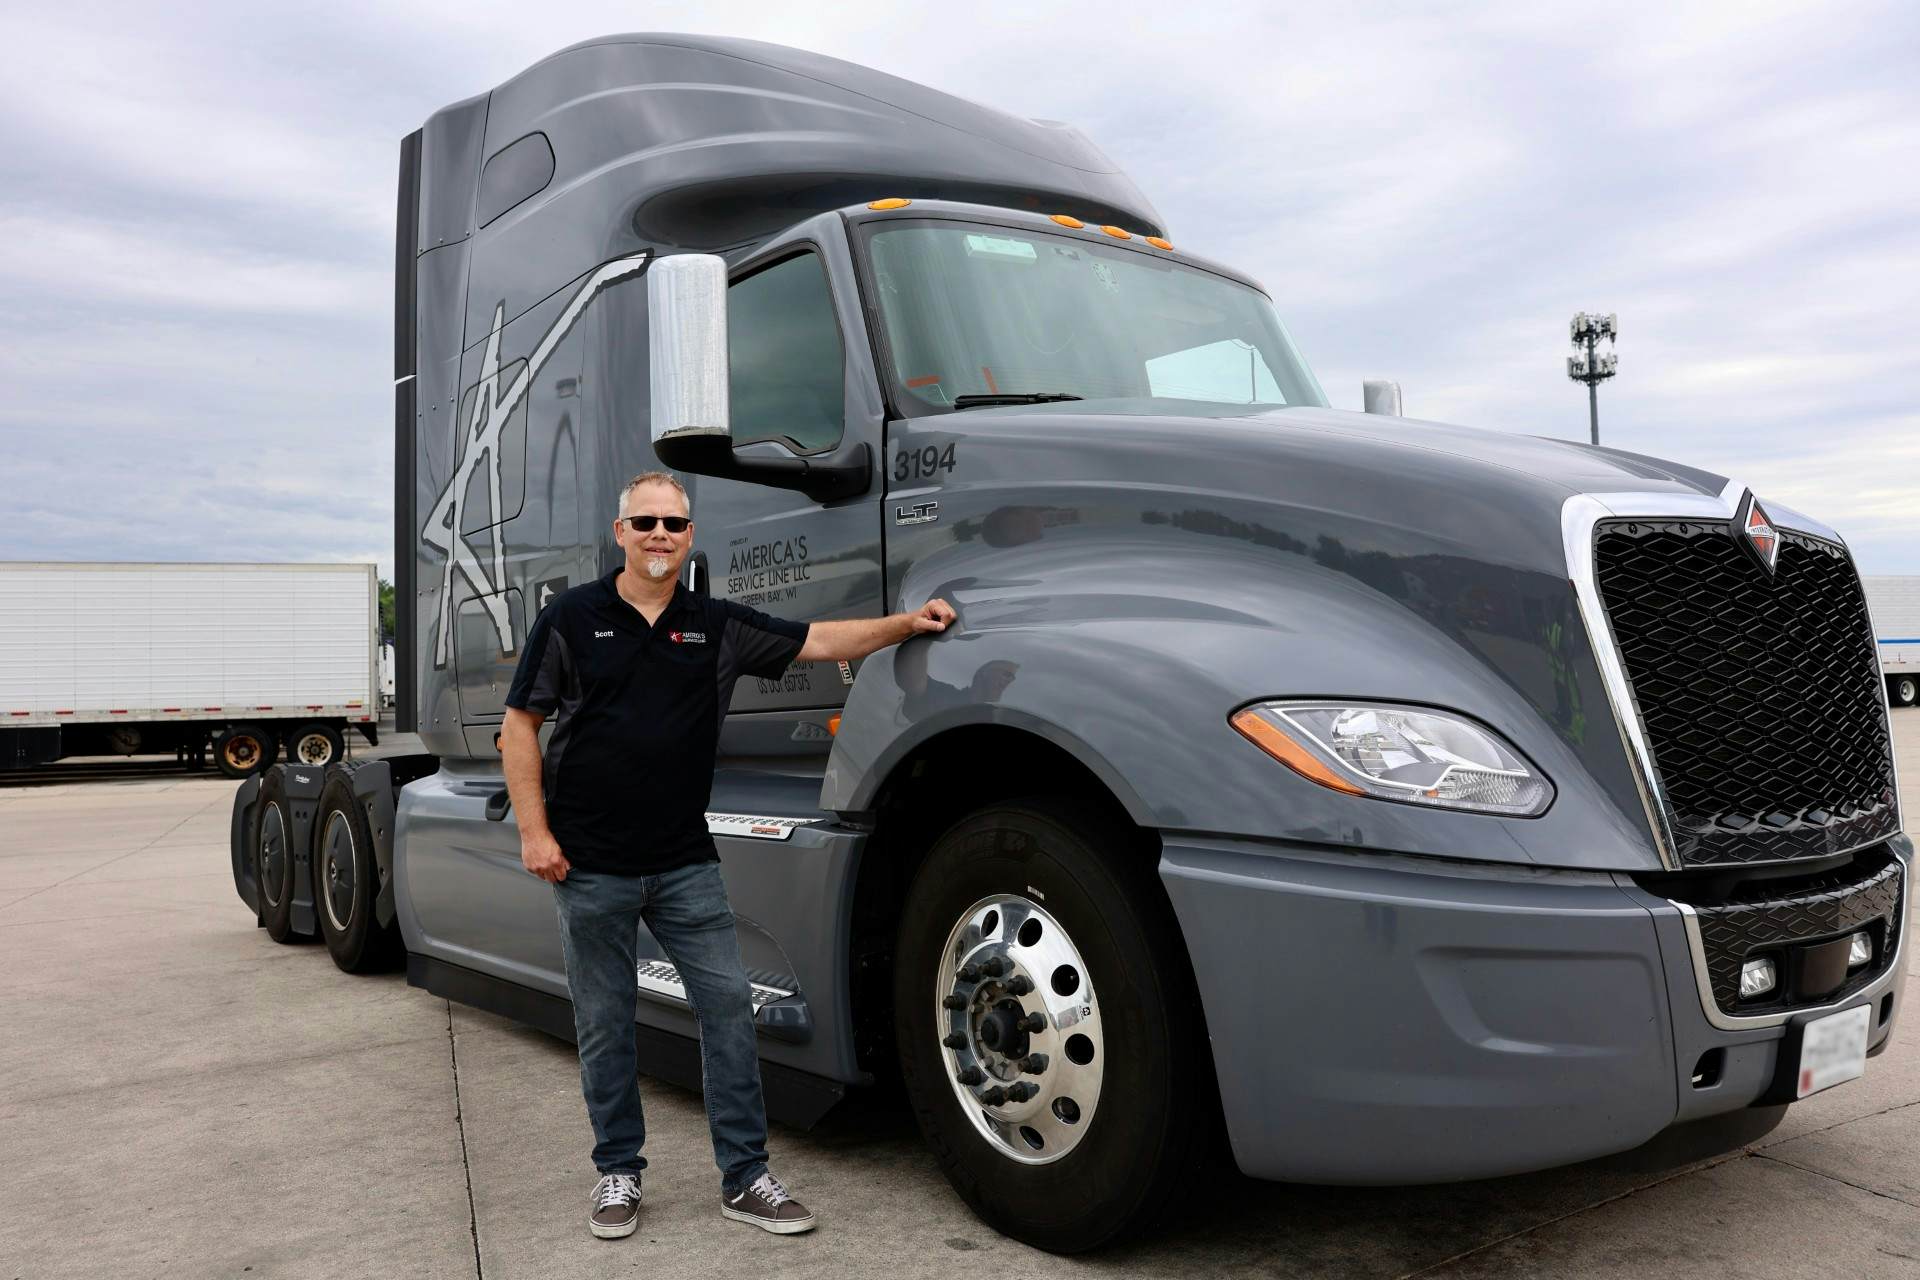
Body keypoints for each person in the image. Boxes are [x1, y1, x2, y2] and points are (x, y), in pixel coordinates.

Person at [499, 471, 955, 1240]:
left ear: (690, 536)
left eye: (674, 524)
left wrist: (907, 624)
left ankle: (745, 1177)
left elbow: (819, 642)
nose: (660, 535)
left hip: (685, 864)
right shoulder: (573, 618)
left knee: (729, 1011)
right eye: (646, 521)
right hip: (591, 867)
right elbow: (520, 726)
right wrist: (533, 833)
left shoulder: (715, 625)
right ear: (620, 533)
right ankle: (618, 1171)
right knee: (606, 1024)